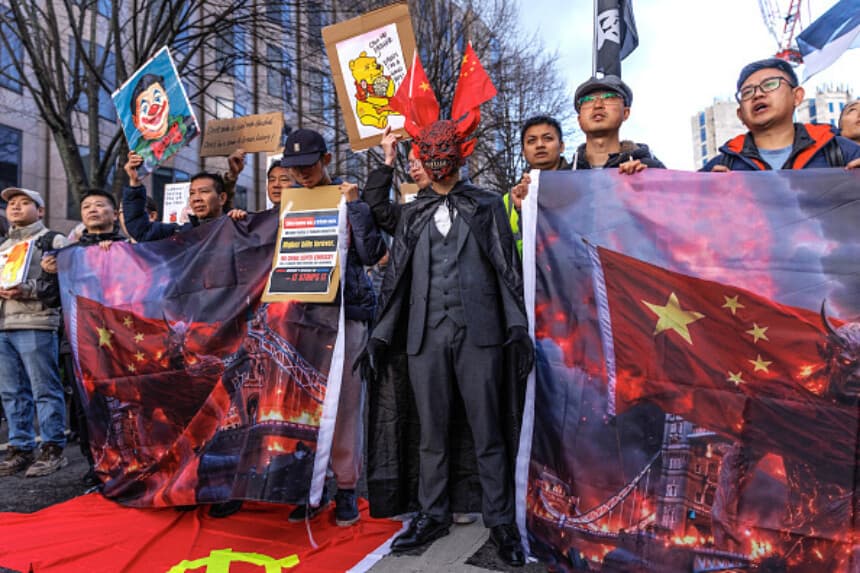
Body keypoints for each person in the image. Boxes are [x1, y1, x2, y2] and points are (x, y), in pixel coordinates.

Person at [362, 119, 533, 566]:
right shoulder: (412, 212)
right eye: (427, 152)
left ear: (461, 154)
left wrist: (517, 328)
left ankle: (501, 522)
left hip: (481, 336)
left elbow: (506, 270)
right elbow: (376, 212)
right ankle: (432, 513)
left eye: (442, 152)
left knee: (489, 431)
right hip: (424, 336)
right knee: (431, 433)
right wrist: (387, 160)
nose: (434, 162)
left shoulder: (486, 205)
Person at [277, 128, 386, 527]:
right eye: (294, 169)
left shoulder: (347, 196)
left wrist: (356, 207)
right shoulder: (289, 203)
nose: (301, 175)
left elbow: (373, 253)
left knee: (346, 407)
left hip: (346, 314)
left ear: (325, 159)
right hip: (303, 316)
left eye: (308, 166)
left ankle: (345, 487)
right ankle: (311, 486)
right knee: (303, 405)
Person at [36, 188, 128, 487]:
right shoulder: (65, 255)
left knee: (127, 404)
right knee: (87, 409)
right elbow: (49, 299)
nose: (92, 210)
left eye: (100, 205)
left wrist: (116, 256)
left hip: (124, 342)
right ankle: (97, 467)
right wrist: (49, 274)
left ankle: (133, 463)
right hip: (78, 343)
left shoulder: (132, 251)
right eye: (87, 206)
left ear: (114, 214)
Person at [0, 188, 69, 478]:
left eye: (24, 202)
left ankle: (53, 449)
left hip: (37, 322)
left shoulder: (53, 240)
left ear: (40, 210)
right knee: (12, 392)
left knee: (44, 389)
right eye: (11, 204)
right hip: (4, 325)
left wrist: (26, 288)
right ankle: (20, 448)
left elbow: (62, 283)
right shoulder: (3, 244)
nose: (15, 207)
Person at [702, 58, 860, 171]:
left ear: (797, 96)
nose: (758, 95)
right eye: (747, 92)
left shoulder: (840, 151)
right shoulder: (721, 167)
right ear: (740, 115)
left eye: (770, 84)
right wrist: (709, 201)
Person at [122, 151, 243, 242]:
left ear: (222, 198)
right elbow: (140, 230)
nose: (196, 198)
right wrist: (134, 181)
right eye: (192, 193)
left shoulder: (237, 228)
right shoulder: (179, 233)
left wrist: (244, 224)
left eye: (204, 191)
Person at [570, 75, 665, 171]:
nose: (598, 105)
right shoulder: (562, 178)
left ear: (625, 113)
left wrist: (645, 182)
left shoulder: (651, 170)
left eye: (609, 97)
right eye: (588, 100)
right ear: (579, 119)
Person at [506, 115, 570, 255]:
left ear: (562, 146)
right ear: (523, 152)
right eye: (531, 141)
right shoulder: (509, 201)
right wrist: (521, 210)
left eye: (548, 138)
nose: (540, 145)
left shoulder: (582, 186)